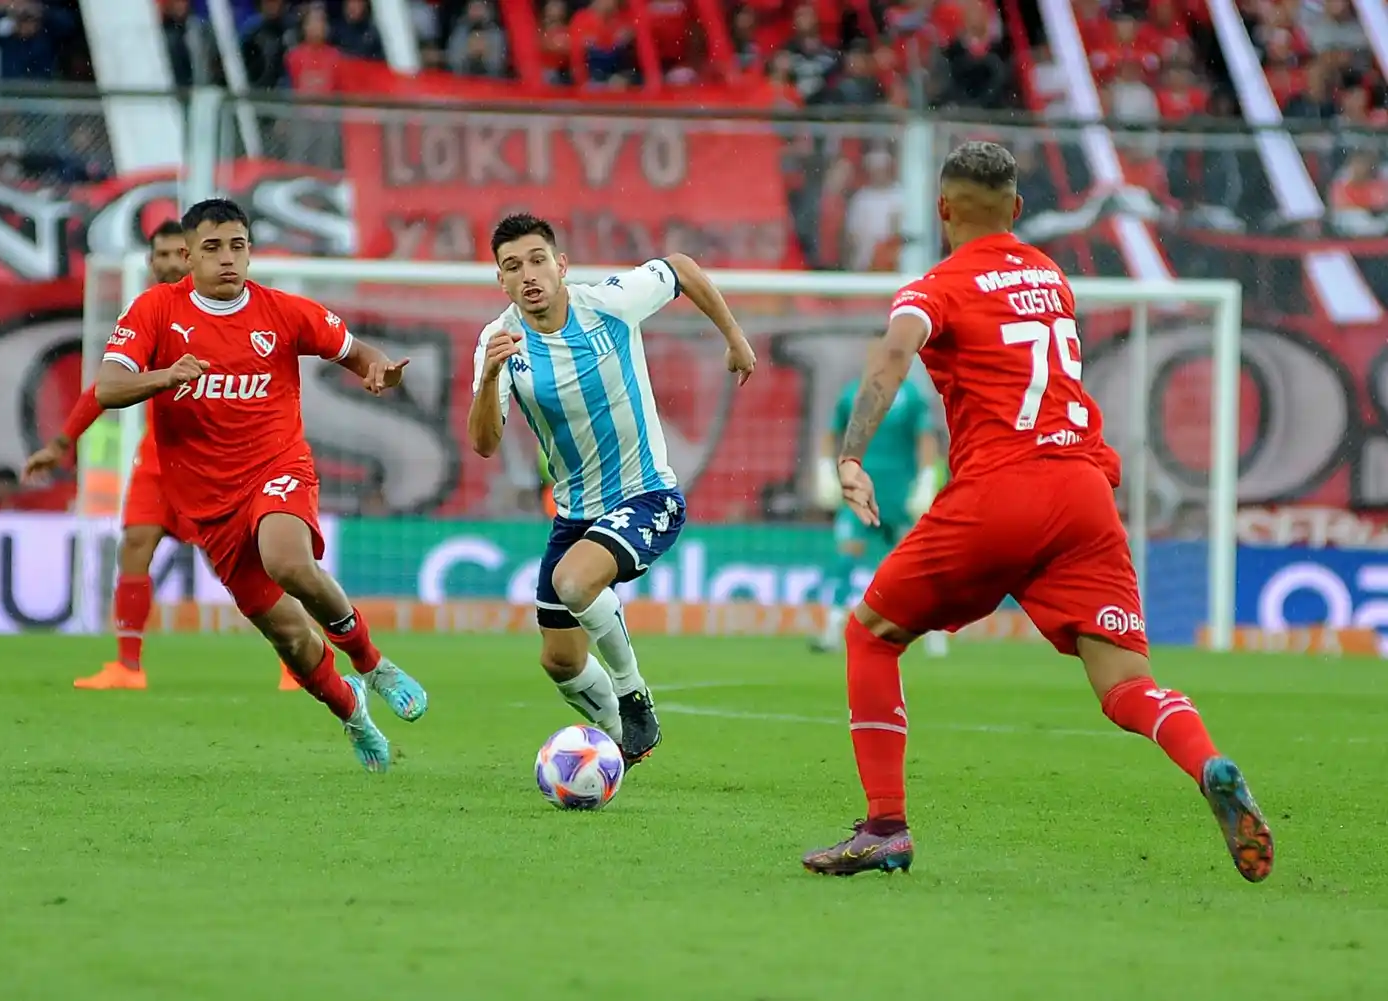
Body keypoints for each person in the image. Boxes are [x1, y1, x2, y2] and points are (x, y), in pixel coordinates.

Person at [801, 142, 1273, 883]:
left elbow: (892, 358)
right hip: (1083, 492)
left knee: (870, 637)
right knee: (1125, 685)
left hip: (1003, 490)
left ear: (942, 209)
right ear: (1017, 210)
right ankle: (1208, 760)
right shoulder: (1050, 277)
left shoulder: (932, 288)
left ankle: (885, 825)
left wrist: (851, 454)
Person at [93, 198, 428, 773]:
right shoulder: (154, 311)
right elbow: (106, 388)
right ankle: (353, 712)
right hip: (208, 503)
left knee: (288, 561)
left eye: (237, 246)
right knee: (291, 640)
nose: (227, 259)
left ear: (250, 250)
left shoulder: (283, 312)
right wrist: (164, 376)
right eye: (212, 248)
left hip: (277, 467)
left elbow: (356, 352)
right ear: (191, 256)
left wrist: (376, 369)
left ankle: (373, 663)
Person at [467, 213, 756, 766]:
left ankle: (632, 693)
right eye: (512, 267)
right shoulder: (499, 340)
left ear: (561, 265)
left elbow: (681, 267)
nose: (528, 275)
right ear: (500, 280)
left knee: (573, 582)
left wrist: (734, 337)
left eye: (536, 260)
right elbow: (484, 442)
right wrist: (487, 381)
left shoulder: (609, 303)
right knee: (559, 662)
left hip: (647, 495)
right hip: (574, 514)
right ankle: (616, 742)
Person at [26, 222, 299, 693]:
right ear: (152, 262)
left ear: (192, 257)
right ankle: (128, 667)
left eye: (179, 253)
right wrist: (61, 443)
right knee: (135, 545)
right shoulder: (150, 314)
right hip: (160, 463)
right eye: (163, 255)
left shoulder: (229, 310)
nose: (172, 262)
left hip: (226, 464)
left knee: (253, 566)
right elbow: (103, 389)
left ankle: (296, 661)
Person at [810, 371, 947, 657]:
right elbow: (833, 431)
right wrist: (824, 467)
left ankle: (935, 633)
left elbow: (925, 437)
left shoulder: (910, 394)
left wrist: (925, 478)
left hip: (899, 494)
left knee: (917, 564)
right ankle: (833, 631)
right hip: (860, 488)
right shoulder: (853, 392)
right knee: (847, 556)